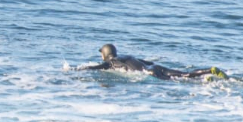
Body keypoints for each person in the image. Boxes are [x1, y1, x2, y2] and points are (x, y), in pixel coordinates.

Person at [77, 43, 228, 80]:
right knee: (184, 75)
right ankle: (210, 71)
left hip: (147, 72)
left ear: (104, 55)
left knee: (178, 80)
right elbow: (147, 61)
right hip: (154, 66)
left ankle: (206, 80)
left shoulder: (111, 62)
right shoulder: (128, 56)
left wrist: (78, 69)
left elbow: (95, 68)